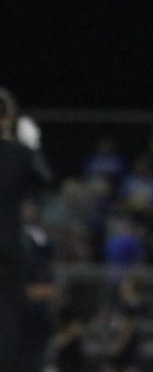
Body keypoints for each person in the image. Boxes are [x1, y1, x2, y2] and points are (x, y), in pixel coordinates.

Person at [1, 88, 52, 364]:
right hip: (8, 243)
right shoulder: (20, 153)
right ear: (7, 118)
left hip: (9, 244)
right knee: (9, 314)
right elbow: (44, 178)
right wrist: (31, 145)